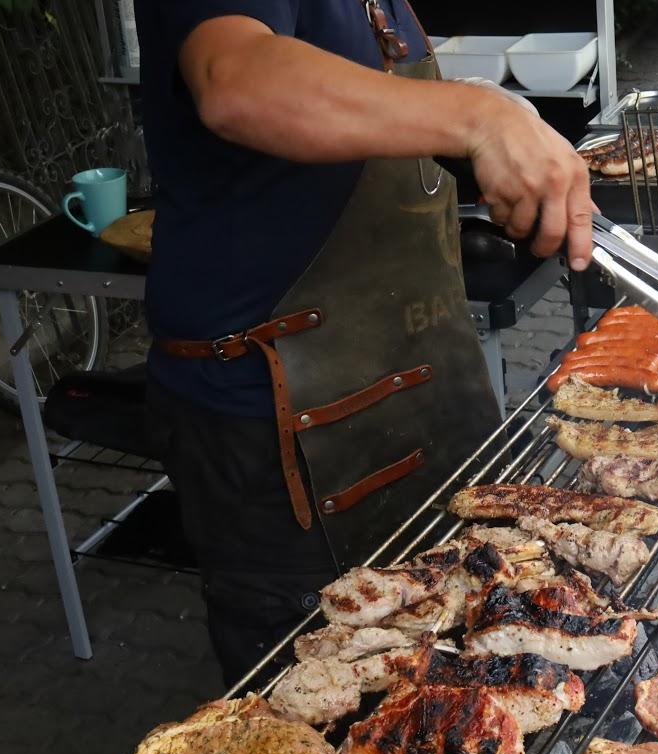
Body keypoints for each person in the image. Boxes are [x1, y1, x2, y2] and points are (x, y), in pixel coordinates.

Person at [135, 1, 595, 687]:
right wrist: (477, 115)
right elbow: (235, 78)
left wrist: (497, 129)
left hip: (421, 405)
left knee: (460, 675)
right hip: (287, 435)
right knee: (329, 706)